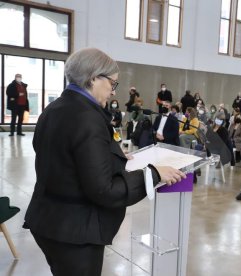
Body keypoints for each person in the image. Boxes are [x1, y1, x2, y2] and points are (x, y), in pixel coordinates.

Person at [23, 48, 185, 276]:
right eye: (112, 83)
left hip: (49, 219)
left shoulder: (55, 108)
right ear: (93, 78)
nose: (112, 92)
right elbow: (104, 190)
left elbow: (64, 159)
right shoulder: (87, 118)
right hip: (75, 230)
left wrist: (110, 156)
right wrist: (154, 174)